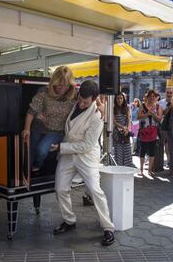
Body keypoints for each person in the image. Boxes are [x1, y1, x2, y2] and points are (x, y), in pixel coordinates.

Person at [52, 80, 115, 246]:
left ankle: (108, 227)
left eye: (85, 102)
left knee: (95, 190)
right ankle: (69, 220)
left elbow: (86, 145)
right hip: (67, 152)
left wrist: (61, 147)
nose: (81, 103)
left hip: (86, 155)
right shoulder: (76, 100)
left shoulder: (97, 116)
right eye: (80, 99)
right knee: (60, 188)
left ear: (94, 99)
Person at [22, 66, 76, 175]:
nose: (61, 88)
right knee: (29, 154)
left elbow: (89, 100)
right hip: (38, 127)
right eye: (58, 84)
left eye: (65, 85)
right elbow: (31, 111)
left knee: (41, 150)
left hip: (57, 131)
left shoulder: (74, 95)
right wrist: (26, 129)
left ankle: (37, 167)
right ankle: (29, 175)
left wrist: (100, 106)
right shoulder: (44, 92)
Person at [138, 89, 162, 177]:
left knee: (152, 151)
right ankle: (141, 169)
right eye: (150, 96)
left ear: (155, 98)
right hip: (144, 130)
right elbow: (138, 117)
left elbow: (159, 119)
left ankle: (150, 169)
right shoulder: (142, 105)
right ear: (147, 97)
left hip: (153, 131)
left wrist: (153, 114)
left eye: (153, 96)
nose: (152, 98)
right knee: (142, 150)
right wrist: (146, 114)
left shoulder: (158, 106)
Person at [113, 92, 134, 167]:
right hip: (117, 132)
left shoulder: (127, 108)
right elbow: (114, 122)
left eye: (121, 98)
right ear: (115, 99)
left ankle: (127, 168)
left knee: (127, 150)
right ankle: (119, 168)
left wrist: (127, 129)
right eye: (118, 98)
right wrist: (122, 127)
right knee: (118, 151)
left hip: (125, 132)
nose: (119, 100)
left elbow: (128, 120)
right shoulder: (113, 108)